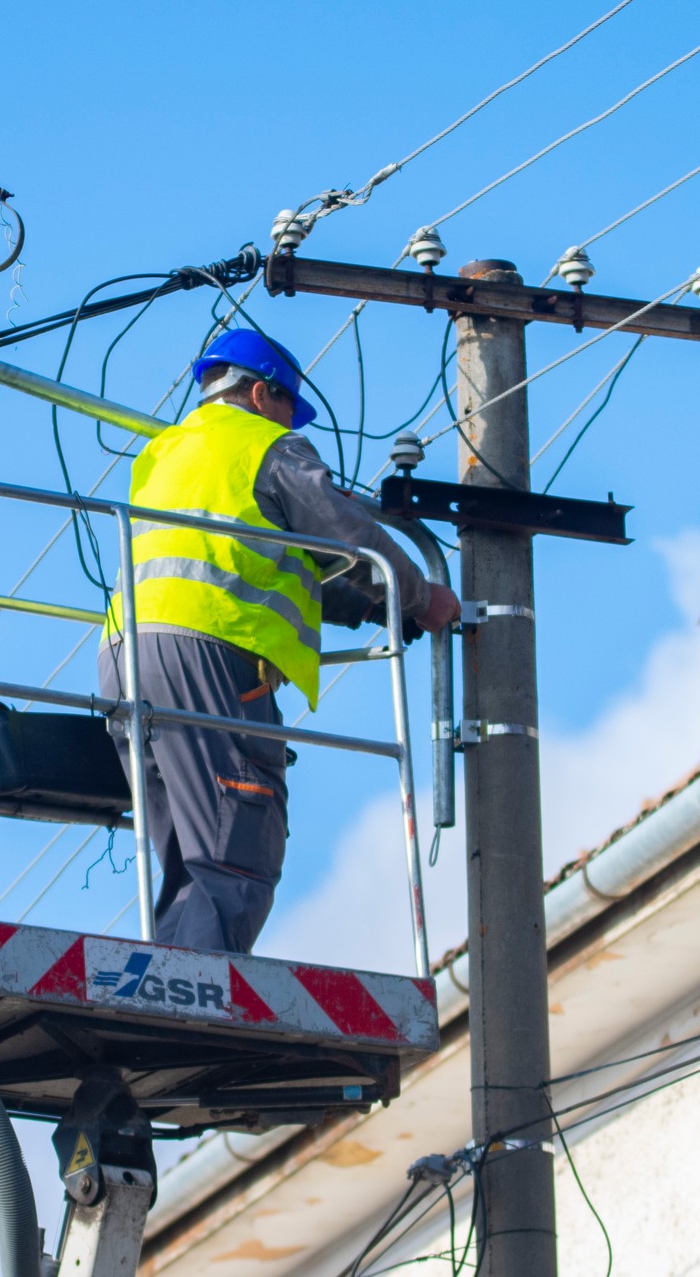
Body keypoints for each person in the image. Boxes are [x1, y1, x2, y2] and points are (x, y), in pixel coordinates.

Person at [98, 328, 460, 954]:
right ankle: (203, 999)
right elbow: (351, 538)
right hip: (211, 651)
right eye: (291, 406)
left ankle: (163, 990)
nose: (296, 423)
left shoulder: (165, 452)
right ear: (262, 393)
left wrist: (386, 612)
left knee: (190, 854)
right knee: (236, 848)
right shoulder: (269, 445)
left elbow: (293, 569)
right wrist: (425, 600)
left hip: (124, 654)